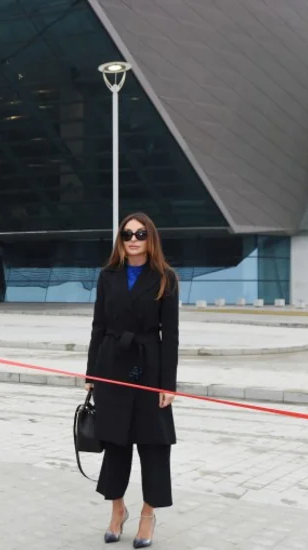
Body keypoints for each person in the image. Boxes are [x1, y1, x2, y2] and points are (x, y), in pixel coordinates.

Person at [84, 212, 179, 549]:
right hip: (111, 365)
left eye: (140, 233)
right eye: (127, 234)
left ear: (150, 237)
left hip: (149, 367)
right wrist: (91, 373)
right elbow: (97, 325)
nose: (134, 239)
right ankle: (117, 510)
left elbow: (171, 335)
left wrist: (168, 385)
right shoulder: (108, 276)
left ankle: (148, 515)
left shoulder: (165, 277)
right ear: (120, 239)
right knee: (115, 443)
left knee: (154, 445)